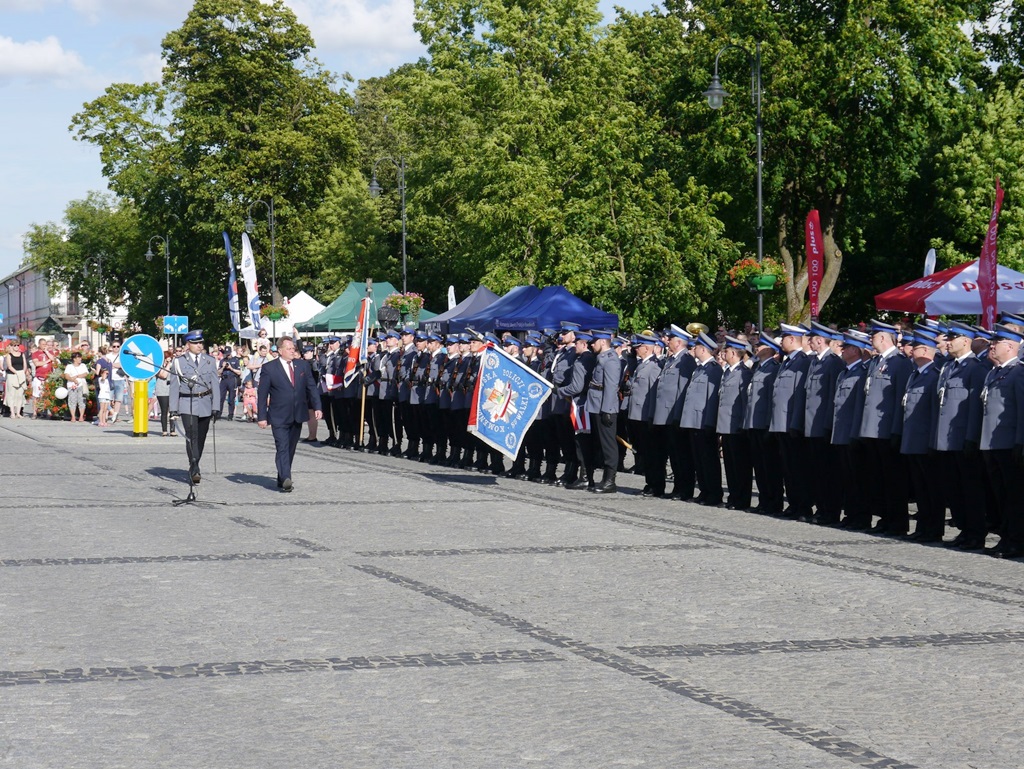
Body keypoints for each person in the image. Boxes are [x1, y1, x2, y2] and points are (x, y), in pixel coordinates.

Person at [256, 336, 323, 492]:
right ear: (280, 351)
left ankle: (282, 475)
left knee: (291, 447)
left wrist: (318, 407)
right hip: (278, 415)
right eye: (289, 348)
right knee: (282, 446)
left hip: (297, 413)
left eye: (293, 348)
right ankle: (287, 477)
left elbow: (311, 388)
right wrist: (261, 417)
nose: (293, 351)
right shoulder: (269, 368)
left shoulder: (302, 366)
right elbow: (262, 394)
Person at [169, 330, 219, 484]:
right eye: (196, 343)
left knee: (201, 438)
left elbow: (215, 385)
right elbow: (174, 386)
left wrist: (216, 406)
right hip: (187, 403)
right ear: (188, 345)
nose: (199, 346)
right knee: (192, 436)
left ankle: (195, 461)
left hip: (205, 402)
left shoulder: (209, 360)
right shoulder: (179, 362)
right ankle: (195, 466)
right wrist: (173, 409)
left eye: (200, 343)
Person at [63, 351, 90, 422]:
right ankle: (73, 416)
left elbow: (86, 373)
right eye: (78, 357)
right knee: (72, 400)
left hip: (81, 385)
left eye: (80, 357)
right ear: (74, 359)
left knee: (82, 400)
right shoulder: (69, 366)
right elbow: (66, 375)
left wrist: (77, 376)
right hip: (72, 386)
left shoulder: (83, 365)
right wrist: (72, 379)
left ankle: (81, 416)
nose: (80, 359)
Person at [155, 351, 173, 435]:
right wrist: (168, 365)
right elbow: (163, 375)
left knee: (173, 411)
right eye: (166, 358)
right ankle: (164, 430)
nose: (167, 360)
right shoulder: (158, 366)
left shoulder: (173, 366)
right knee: (164, 411)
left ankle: (173, 430)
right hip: (162, 390)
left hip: (172, 390)